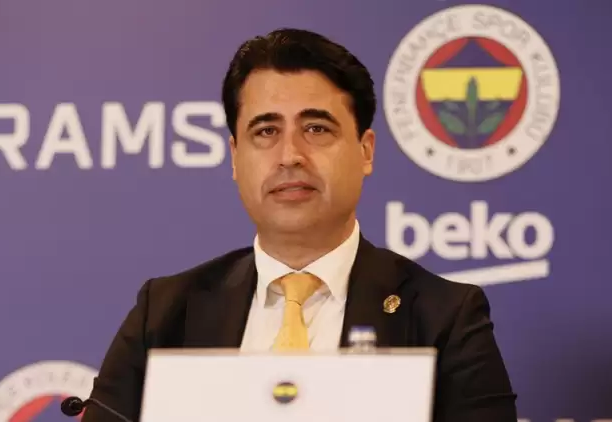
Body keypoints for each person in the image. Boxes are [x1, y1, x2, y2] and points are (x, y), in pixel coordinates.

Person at [81, 28, 517, 422]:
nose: (290, 155)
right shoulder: (164, 314)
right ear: (235, 156)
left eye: (316, 129)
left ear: (365, 151)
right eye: (266, 132)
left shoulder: (444, 318)